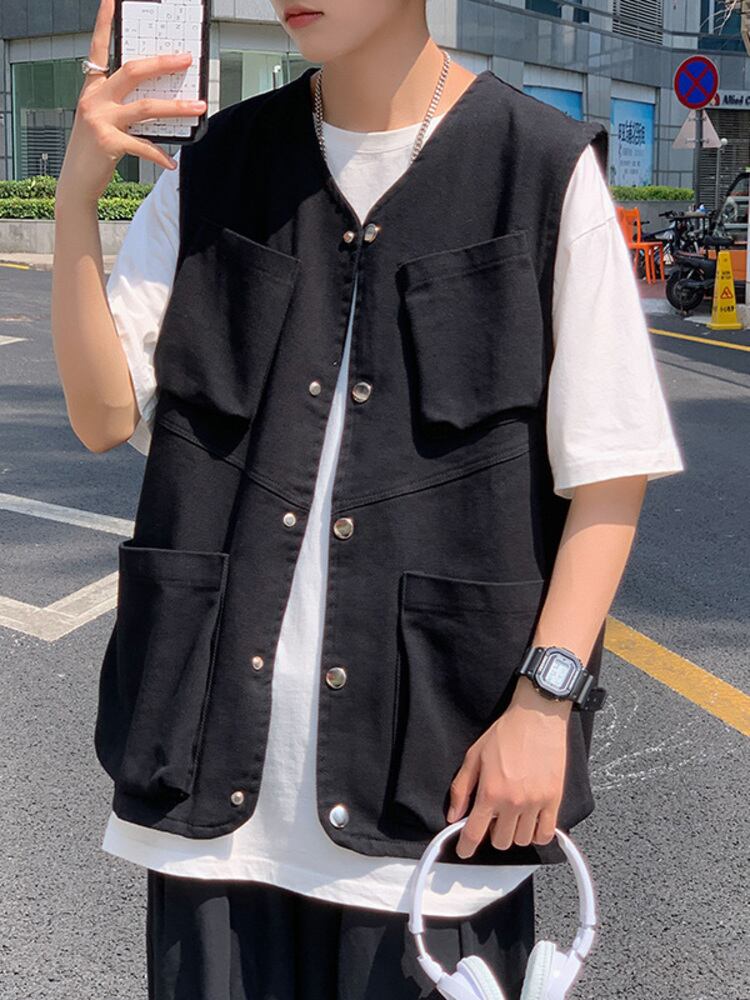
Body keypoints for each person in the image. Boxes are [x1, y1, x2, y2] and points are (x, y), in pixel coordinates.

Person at [51, 1, 685, 998]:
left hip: (436, 798)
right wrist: (77, 199)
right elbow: (102, 415)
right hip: (210, 788)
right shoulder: (215, 167)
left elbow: (609, 471)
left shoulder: (540, 167)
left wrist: (544, 704)